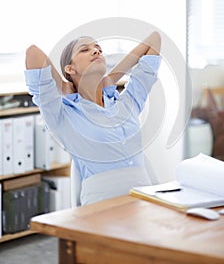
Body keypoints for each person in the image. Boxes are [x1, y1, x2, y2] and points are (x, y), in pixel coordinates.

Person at [25, 30, 161, 205]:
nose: (96, 51)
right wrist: (62, 86)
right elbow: (33, 53)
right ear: (70, 68)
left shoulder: (127, 102)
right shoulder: (64, 115)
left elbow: (154, 40)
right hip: (101, 206)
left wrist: (113, 77)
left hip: (143, 200)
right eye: (84, 50)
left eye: (98, 49)